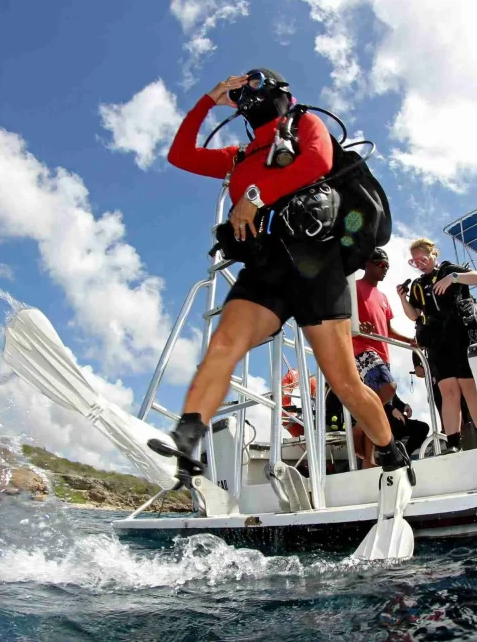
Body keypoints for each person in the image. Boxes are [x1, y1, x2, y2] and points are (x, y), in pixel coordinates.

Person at [153, 69, 414, 486]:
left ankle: (390, 450)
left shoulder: (303, 122)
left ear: (279, 90)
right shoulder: (238, 156)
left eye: (253, 82)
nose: (245, 91)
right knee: (224, 344)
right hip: (266, 268)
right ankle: (187, 443)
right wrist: (207, 100)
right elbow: (180, 156)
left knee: (345, 382)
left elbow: (318, 161)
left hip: (316, 265)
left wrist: (254, 197)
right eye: (239, 89)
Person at [398, 238, 477, 454]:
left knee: (468, 386)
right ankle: (453, 442)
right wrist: (402, 298)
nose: (420, 264)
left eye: (423, 259)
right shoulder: (418, 285)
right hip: (437, 342)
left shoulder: (448, 270)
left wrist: (453, 278)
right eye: (414, 261)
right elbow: (414, 315)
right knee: (448, 391)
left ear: (433, 254)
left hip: (460, 336)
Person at [350, 248, 415, 467]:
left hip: (382, 355)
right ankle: (359, 426)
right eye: (381, 265)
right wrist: (358, 326)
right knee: (390, 387)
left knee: (376, 409)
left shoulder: (384, 297)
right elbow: (342, 317)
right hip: (361, 350)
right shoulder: (354, 288)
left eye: (387, 266)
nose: (385, 269)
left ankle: (368, 461)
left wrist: (409, 341)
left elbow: (387, 330)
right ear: (367, 264)